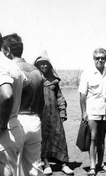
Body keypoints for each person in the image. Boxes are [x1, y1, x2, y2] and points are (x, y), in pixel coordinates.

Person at [2, 33, 45, 176]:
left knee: (15, 169)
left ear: (7, 49)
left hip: (16, 120)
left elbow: (7, 95)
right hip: (34, 120)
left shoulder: (8, 66)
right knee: (34, 168)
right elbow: (39, 99)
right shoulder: (36, 71)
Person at [33, 50, 74, 175]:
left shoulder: (54, 80)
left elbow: (60, 97)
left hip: (54, 114)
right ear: (37, 65)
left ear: (49, 65)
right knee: (43, 138)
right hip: (41, 114)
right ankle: (46, 164)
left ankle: (64, 164)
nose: (44, 66)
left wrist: (62, 111)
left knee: (59, 137)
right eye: (41, 64)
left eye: (46, 63)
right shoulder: (34, 79)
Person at [78, 48, 106, 176]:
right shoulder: (87, 73)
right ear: (93, 59)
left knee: (102, 138)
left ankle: (101, 163)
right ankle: (93, 166)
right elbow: (82, 95)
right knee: (93, 137)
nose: (100, 60)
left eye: (102, 57)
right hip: (92, 110)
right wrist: (83, 113)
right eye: (97, 58)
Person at [0, 32, 28, 176]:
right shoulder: (11, 64)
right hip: (14, 125)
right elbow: (24, 84)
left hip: (5, 131)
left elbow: (7, 94)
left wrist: (2, 124)